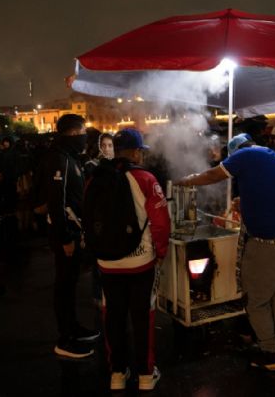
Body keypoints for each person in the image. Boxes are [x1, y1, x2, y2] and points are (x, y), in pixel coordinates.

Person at [175, 133, 275, 371]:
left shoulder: (245, 155)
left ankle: (271, 353)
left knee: (256, 301)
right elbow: (273, 196)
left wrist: (188, 180)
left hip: (268, 243)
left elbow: (214, 174)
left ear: (235, 152)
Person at [95, 128, 170, 391]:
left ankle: (117, 374)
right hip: (140, 264)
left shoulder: (95, 178)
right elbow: (161, 224)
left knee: (112, 318)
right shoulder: (146, 179)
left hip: (106, 263)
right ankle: (146, 376)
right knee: (143, 319)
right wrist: (160, 253)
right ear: (136, 151)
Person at [33, 114, 99, 359]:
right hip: (64, 233)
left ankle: (74, 328)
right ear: (72, 134)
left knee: (70, 284)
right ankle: (65, 339)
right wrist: (66, 238)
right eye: (82, 131)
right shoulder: (58, 159)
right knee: (63, 285)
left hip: (72, 230)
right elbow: (56, 203)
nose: (84, 136)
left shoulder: (70, 157)